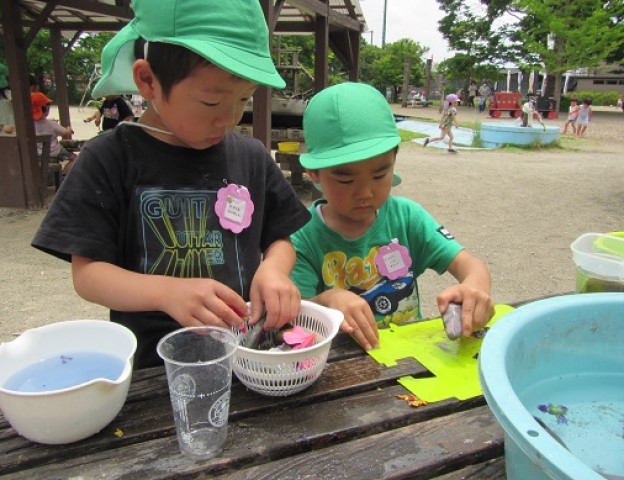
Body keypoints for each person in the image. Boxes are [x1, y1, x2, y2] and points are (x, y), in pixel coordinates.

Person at [31, 0, 311, 369]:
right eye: (211, 102)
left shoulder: (251, 157)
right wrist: (167, 292)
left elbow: (280, 237)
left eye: (243, 99)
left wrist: (273, 268)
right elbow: (88, 274)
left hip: (243, 357)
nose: (229, 118)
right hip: (153, 367)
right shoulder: (109, 158)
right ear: (148, 80)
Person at [290, 83, 494, 351]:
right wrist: (326, 300)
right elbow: (294, 315)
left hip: (409, 359)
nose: (365, 193)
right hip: (341, 364)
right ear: (314, 174)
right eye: (346, 180)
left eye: (379, 175)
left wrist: (475, 288)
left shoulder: (406, 217)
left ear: (394, 162)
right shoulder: (301, 238)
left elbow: (469, 264)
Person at [32, 92, 77, 174]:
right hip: (55, 153)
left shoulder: (27, 126)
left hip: (36, 155)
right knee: (75, 159)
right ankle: (64, 175)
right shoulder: (52, 124)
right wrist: (69, 129)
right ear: (45, 109)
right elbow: (66, 133)